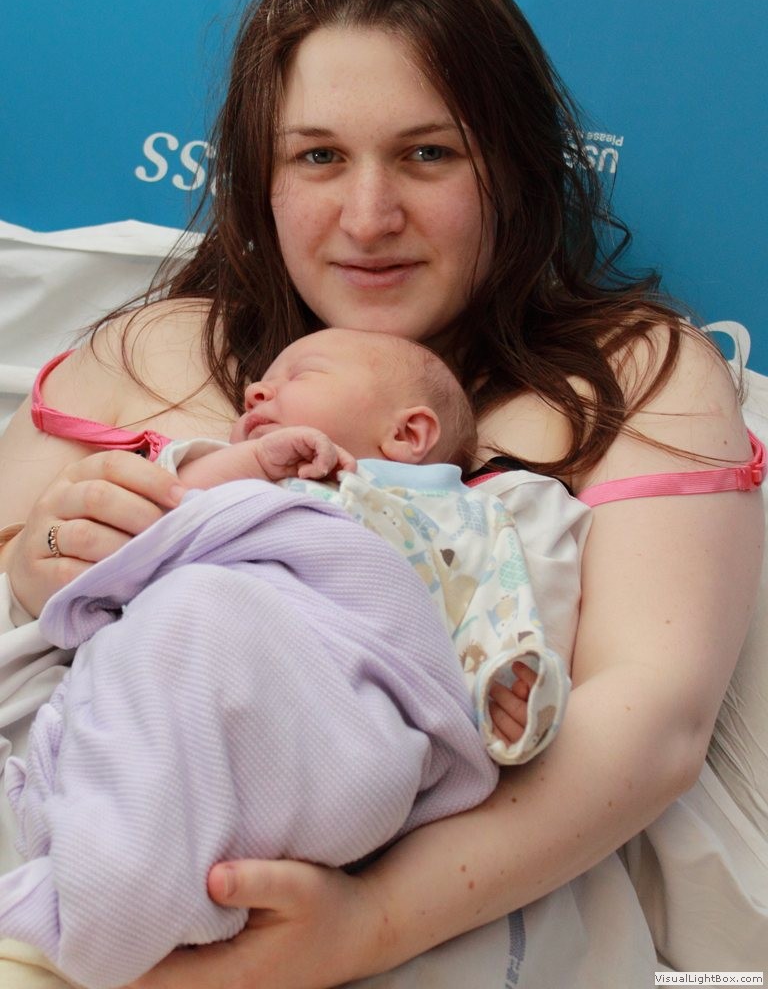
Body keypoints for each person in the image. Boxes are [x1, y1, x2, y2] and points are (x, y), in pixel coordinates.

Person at [0, 0, 763, 985]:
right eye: (318, 156)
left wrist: (366, 923)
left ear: (513, 166)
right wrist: (44, 562)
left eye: (428, 154)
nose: (368, 217)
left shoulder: (631, 378)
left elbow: (654, 722)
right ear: (260, 178)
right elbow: (18, 569)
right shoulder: (156, 347)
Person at [0, 327, 580, 989]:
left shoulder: (465, 518)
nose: (256, 390)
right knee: (184, 622)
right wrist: (246, 465)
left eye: (298, 375)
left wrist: (514, 689)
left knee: (196, 608)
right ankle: (139, 891)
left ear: (407, 433)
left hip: (350, 729)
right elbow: (161, 519)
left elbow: (499, 618)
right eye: (259, 382)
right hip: (209, 684)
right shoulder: (247, 477)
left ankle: (107, 901)